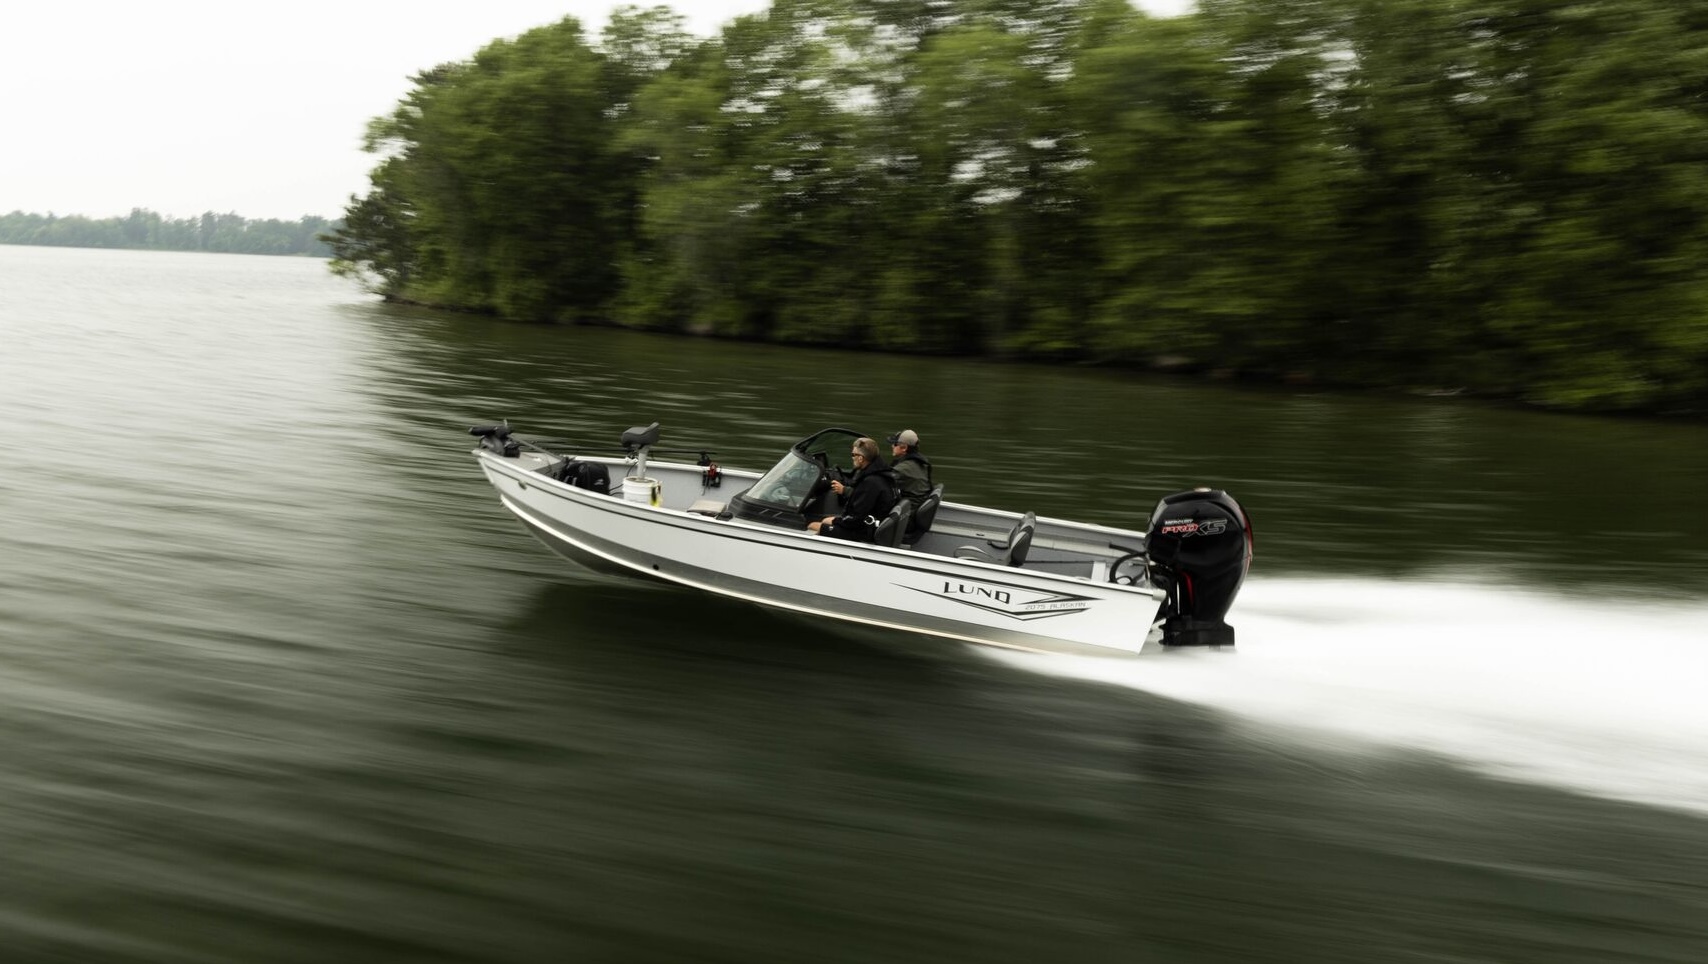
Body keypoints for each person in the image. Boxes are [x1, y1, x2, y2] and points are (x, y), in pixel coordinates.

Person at [808, 437, 896, 542]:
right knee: (826, 520)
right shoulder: (880, 474)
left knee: (812, 525)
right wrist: (838, 520)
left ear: (861, 458)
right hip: (869, 525)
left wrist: (838, 521)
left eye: (853, 454)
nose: (852, 457)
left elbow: (855, 519)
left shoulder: (870, 483)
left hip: (862, 532)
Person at [887, 429, 932, 511]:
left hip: (909, 512)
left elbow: (882, 480)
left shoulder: (903, 469)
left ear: (904, 447)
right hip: (917, 505)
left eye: (895, 444)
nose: (892, 446)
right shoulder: (921, 462)